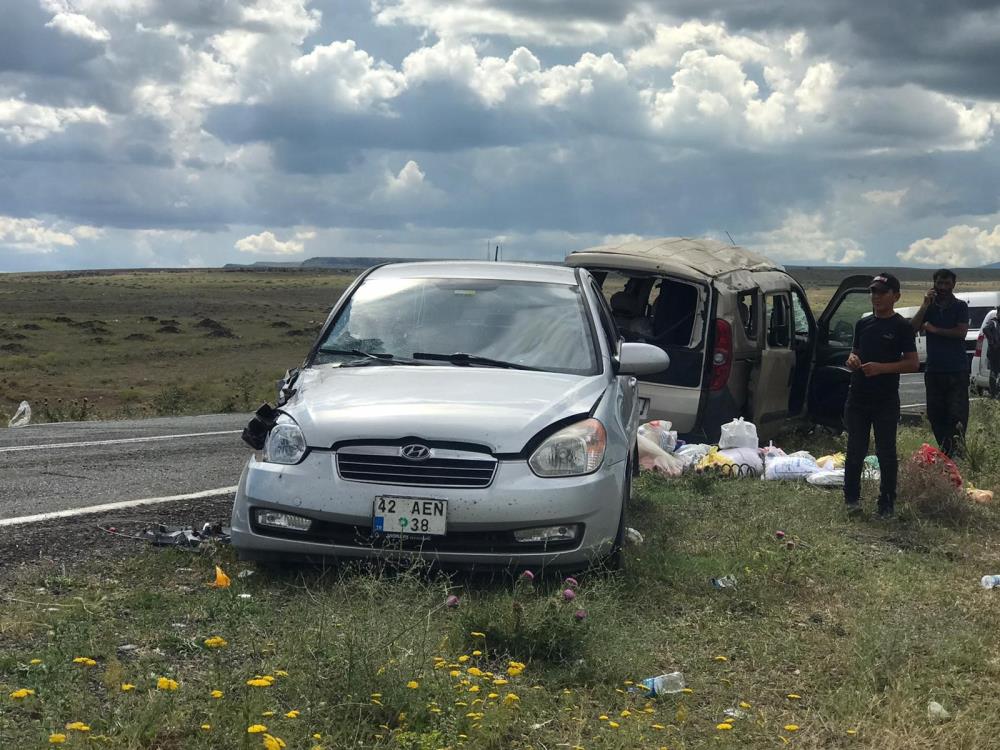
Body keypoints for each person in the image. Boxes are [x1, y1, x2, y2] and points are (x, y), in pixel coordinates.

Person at [844, 273, 919, 519]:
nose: (876, 297)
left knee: (886, 451)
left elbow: (912, 363)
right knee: (856, 448)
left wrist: (881, 368)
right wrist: (852, 360)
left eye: (881, 292)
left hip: (885, 399)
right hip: (858, 396)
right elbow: (854, 354)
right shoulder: (863, 324)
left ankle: (886, 503)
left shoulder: (902, 327)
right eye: (873, 292)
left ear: (895, 296)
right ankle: (851, 499)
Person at [909, 269, 970, 457]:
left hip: (956, 369)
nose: (943, 287)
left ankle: (958, 454)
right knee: (936, 414)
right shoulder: (930, 307)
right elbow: (912, 328)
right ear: (934, 283)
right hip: (934, 369)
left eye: (947, 283)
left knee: (957, 414)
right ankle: (945, 452)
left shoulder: (960, 306)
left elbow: (961, 333)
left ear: (953, 284)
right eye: (940, 283)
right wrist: (924, 305)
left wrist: (933, 329)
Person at [982, 306, 1000, 398]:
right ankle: (993, 393)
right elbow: (985, 329)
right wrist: (992, 342)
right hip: (995, 353)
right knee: (994, 372)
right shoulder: (993, 322)